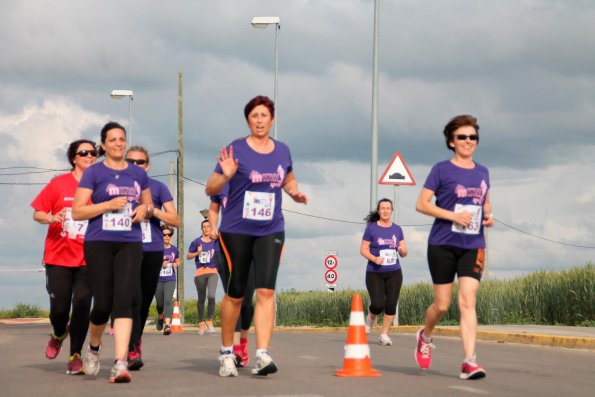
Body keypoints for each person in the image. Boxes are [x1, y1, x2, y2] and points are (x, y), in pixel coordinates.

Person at [205, 95, 308, 377]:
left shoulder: (283, 150)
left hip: (271, 229)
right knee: (236, 294)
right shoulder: (234, 149)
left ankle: (262, 353)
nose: (260, 120)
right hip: (236, 230)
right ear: (248, 120)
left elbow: (287, 178)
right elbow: (209, 188)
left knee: (265, 291)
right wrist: (224, 176)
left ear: (272, 119)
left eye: (264, 115)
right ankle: (227, 351)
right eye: (254, 116)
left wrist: (294, 192)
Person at [72, 121, 153, 383]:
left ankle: (120, 363)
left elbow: (149, 205)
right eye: (113, 140)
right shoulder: (94, 173)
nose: (118, 143)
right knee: (103, 304)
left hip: (130, 241)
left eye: (122, 139)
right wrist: (106, 205)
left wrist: (144, 210)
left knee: (124, 299)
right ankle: (94, 348)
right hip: (99, 241)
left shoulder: (138, 174)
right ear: (104, 145)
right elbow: (78, 211)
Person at [415, 114, 494, 380]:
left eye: (473, 137)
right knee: (442, 305)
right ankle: (425, 336)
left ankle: (469, 361)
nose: (468, 141)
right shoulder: (441, 170)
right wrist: (453, 216)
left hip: (473, 244)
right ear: (451, 142)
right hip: (442, 244)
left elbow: (486, 202)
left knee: (468, 300)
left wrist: (488, 216)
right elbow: (422, 204)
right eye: (462, 137)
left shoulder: (483, 172)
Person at [31, 139, 96, 375]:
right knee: (59, 310)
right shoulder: (58, 184)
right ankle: (59, 332)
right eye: (85, 152)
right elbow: (38, 212)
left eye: (94, 152)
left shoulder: (100, 187)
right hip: (58, 256)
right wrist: (51, 218)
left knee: (81, 305)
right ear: (74, 158)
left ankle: (75, 354)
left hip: (89, 258)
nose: (90, 155)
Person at [124, 146, 180, 370]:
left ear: (147, 165)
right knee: (130, 299)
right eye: (131, 162)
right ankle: (129, 349)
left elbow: (175, 220)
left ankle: (135, 341)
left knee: (144, 301)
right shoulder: (116, 188)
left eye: (140, 162)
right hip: (125, 249)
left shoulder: (158, 187)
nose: (136, 165)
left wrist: (152, 210)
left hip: (152, 251)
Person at [208, 194, 255, 367]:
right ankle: (234, 347)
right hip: (225, 248)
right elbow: (213, 207)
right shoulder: (224, 183)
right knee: (233, 295)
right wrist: (213, 226)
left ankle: (243, 341)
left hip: (251, 248)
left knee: (247, 300)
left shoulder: (255, 182)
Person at [360, 198, 407, 346]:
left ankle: (384, 335)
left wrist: (402, 250)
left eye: (388, 208)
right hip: (374, 272)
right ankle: (370, 318)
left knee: (392, 304)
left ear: (392, 211)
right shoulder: (372, 229)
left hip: (394, 272)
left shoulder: (397, 229)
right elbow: (363, 250)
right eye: (383, 208)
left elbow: (404, 252)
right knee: (378, 304)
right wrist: (374, 259)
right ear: (379, 211)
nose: (385, 211)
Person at [187, 220, 219, 335]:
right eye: (204, 227)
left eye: (208, 227)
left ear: (211, 229)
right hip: (200, 273)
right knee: (201, 298)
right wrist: (197, 253)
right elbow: (188, 256)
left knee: (211, 296)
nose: (206, 229)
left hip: (213, 272)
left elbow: (220, 256)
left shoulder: (215, 242)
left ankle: (209, 321)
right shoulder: (196, 242)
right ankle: (201, 323)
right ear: (202, 229)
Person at [155, 225, 179, 335]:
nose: (166, 236)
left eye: (169, 234)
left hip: (170, 279)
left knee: (168, 301)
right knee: (160, 303)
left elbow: (178, 261)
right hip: (157, 279)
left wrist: (176, 263)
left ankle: (167, 325)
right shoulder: (156, 248)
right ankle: (160, 316)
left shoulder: (174, 249)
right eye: (164, 234)